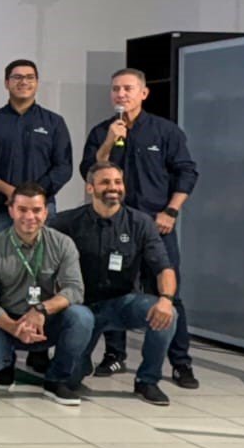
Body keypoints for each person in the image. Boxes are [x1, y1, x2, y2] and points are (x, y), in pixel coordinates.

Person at [81, 67, 200, 388]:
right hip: (114, 225)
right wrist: (109, 142)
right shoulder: (102, 131)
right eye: (115, 89)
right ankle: (114, 354)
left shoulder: (165, 131)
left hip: (157, 225)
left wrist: (171, 211)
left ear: (143, 93)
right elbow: (90, 172)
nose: (120, 94)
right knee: (113, 290)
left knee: (168, 293)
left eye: (127, 88)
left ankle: (181, 362)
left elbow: (187, 172)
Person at [50, 161, 178, 407]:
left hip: (123, 304)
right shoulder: (67, 222)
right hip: (82, 308)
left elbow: (164, 268)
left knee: (167, 314)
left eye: (118, 182)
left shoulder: (140, 223)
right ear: (90, 188)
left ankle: (147, 381)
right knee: (70, 379)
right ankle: (80, 362)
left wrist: (166, 299)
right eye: (105, 182)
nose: (113, 187)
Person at [0, 183, 93, 406]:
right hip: (7, 324)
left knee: (82, 316)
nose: (30, 217)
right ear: (11, 211)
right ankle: (4, 367)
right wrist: (14, 328)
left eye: (37, 210)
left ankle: (56, 380)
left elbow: (75, 289)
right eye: (22, 210)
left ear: (46, 212)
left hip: (45, 321)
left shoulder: (63, 244)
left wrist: (41, 310)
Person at [0, 58, 72, 240]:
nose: (23, 82)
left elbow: (64, 166)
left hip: (41, 207)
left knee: (44, 256)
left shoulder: (54, 123)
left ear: (37, 83)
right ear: (6, 83)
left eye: (29, 77)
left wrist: (33, 194)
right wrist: (7, 191)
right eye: (17, 77)